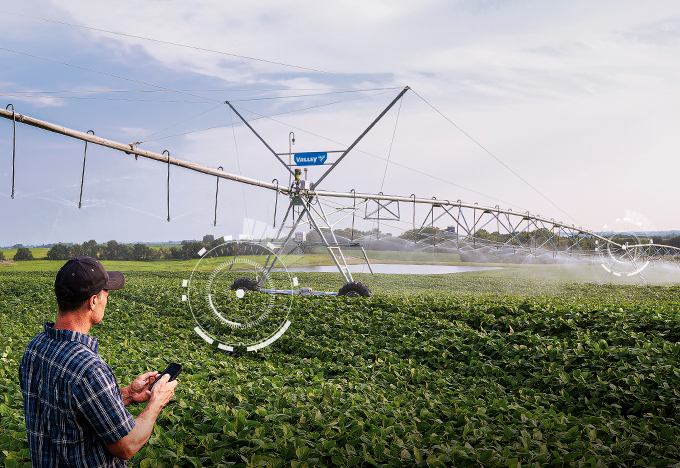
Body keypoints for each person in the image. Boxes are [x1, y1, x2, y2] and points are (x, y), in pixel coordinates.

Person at [19, 256, 178, 467]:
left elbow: (73, 411)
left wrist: (129, 393)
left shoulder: (35, 347)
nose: (107, 298)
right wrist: (157, 401)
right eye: (106, 293)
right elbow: (126, 446)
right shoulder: (88, 369)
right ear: (93, 301)